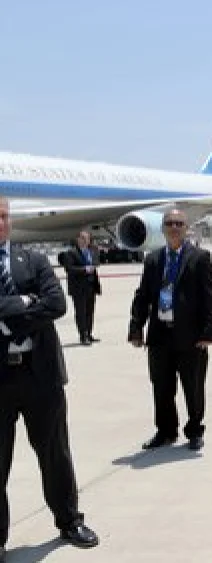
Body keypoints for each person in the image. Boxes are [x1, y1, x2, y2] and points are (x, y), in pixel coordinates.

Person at [0, 197, 99, 561]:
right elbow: (41, 305)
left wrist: (9, 317)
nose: (1, 223)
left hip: (40, 375)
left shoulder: (34, 260)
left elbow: (56, 303)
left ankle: (69, 520)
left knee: (55, 452)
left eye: (4, 216)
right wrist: (25, 303)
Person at [128, 209, 212, 451]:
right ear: (163, 228)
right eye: (169, 223)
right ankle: (165, 431)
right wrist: (136, 327)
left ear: (186, 228)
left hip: (191, 335)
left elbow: (208, 297)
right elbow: (143, 296)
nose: (174, 227)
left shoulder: (200, 258)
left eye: (179, 223)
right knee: (161, 387)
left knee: (193, 386)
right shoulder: (153, 260)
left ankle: (194, 430)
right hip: (160, 334)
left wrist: (208, 331)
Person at [62, 230, 102, 345]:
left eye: (87, 238)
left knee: (90, 311)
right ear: (78, 240)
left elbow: (96, 262)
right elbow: (69, 269)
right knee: (81, 312)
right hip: (78, 288)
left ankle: (89, 333)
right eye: (82, 238)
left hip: (91, 286)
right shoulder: (71, 253)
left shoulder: (93, 251)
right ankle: (83, 336)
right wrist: (84, 269)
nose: (85, 241)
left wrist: (94, 265)